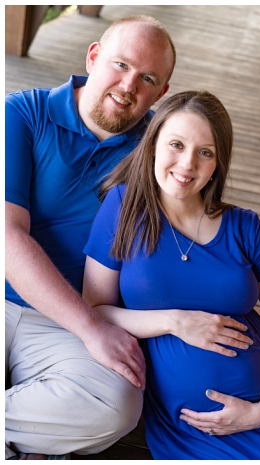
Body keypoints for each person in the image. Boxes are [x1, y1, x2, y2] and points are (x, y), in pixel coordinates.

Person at [81, 91, 260, 459]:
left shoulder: (245, 227)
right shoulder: (123, 207)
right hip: (194, 429)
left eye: (205, 152)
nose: (187, 164)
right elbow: (93, 309)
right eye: (176, 144)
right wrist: (175, 322)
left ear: (218, 163)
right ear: (153, 144)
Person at [5, 16, 175, 459]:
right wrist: (92, 328)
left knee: (116, 406)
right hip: (26, 303)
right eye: (120, 64)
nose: (128, 85)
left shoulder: (159, 149)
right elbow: (7, 234)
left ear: (161, 92)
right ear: (94, 56)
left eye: (148, 78)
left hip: (68, 321)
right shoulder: (23, 112)